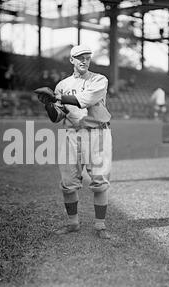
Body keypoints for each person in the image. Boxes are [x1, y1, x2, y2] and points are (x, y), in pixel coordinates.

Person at [38, 44, 113, 239]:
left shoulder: (99, 79)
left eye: (87, 57)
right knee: (68, 182)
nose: (84, 61)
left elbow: (86, 100)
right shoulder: (62, 85)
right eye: (80, 57)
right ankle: (73, 223)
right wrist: (48, 105)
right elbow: (57, 117)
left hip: (97, 133)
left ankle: (100, 226)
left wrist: (57, 97)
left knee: (99, 180)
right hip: (71, 133)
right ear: (72, 60)